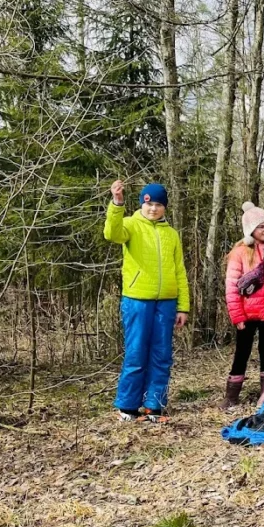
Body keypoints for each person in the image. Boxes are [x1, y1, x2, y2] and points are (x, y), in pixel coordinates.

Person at [104, 180, 189, 423]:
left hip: (167, 302)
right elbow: (111, 233)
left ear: (165, 207)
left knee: (162, 355)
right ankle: (128, 406)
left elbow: (179, 271)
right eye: (149, 204)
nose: (153, 209)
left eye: (159, 205)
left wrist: (183, 306)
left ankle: (155, 405)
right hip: (137, 300)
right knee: (136, 352)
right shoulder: (130, 224)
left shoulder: (171, 234)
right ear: (142, 204)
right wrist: (117, 203)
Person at [222, 202, 264, 409]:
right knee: (242, 351)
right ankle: (232, 395)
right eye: (261, 226)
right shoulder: (240, 253)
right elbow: (232, 287)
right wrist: (237, 315)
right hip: (247, 312)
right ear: (251, 229)